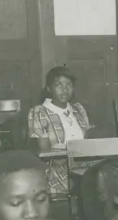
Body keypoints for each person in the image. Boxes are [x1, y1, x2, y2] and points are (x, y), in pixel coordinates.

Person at [27, 65, 93, 196]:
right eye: (59, 85)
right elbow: (44, 150)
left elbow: (88, 143)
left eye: (69, 85)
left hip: (83, 166)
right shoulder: (39, 112)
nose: (65, 90)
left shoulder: (79, 110)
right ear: (48, 88)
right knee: (91, 184)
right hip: (56, 170)